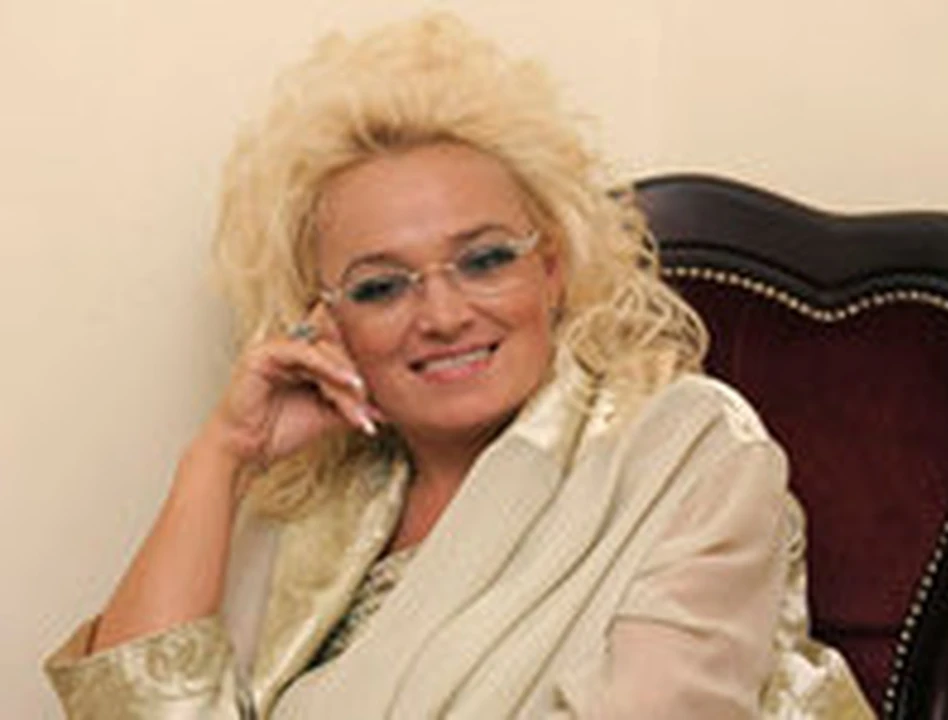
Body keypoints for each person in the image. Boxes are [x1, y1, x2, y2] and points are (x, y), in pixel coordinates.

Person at [44, 13, 873, 719]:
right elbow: (136, 706)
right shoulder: (316, 505)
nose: (442, 315)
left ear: (551, 269)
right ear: (327, 321)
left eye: (484, 260)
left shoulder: (685, 450)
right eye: (380, 286)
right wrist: (222, 455)